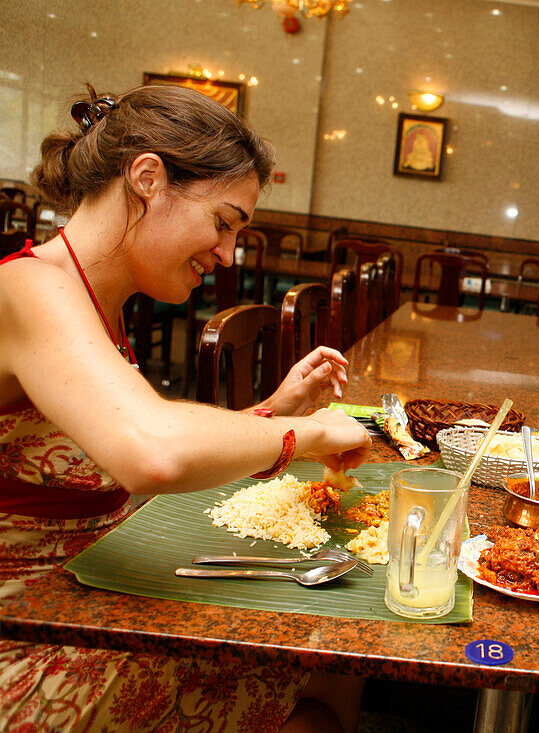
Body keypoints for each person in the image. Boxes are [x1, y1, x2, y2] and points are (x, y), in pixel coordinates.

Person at [0, 85, 372, 733]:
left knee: (339, 644)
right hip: (29, 645)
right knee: (326, 653)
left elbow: (127, 440)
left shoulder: (98, 303)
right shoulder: (27, 287)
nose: (228, 254)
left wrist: (269, 412)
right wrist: (302, 430)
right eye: (224, 223)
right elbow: (152, 449)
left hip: (85, 609)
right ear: (148, 178)